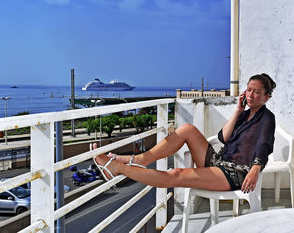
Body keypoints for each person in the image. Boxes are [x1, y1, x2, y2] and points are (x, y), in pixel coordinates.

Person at [91, 74, 276, 193]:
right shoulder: (243, 115)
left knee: (176, 173)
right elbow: (222, 138)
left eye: (257, 92)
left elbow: (264, 145)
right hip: (219, 160)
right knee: (187, 129)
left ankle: (118, 168)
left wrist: (255, 169)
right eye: (249, 90)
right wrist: (237, 111)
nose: (251, 95)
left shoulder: (267, 118)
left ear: (267, 96)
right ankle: (141, 159)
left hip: (234, 172)